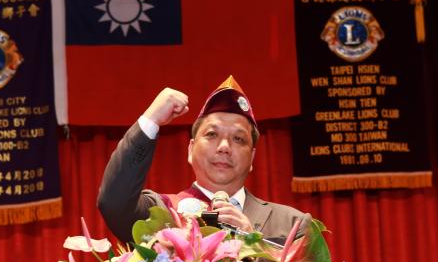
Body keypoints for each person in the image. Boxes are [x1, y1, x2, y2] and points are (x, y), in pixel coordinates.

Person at [97, 76, 312, 245]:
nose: (224, 147)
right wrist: (151, 119)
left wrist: (254, 245)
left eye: (238, 139)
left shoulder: (292, 224)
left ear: (252, 157)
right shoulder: (162, 212)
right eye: (212, 134)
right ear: (191, 150)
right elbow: (114, 203)